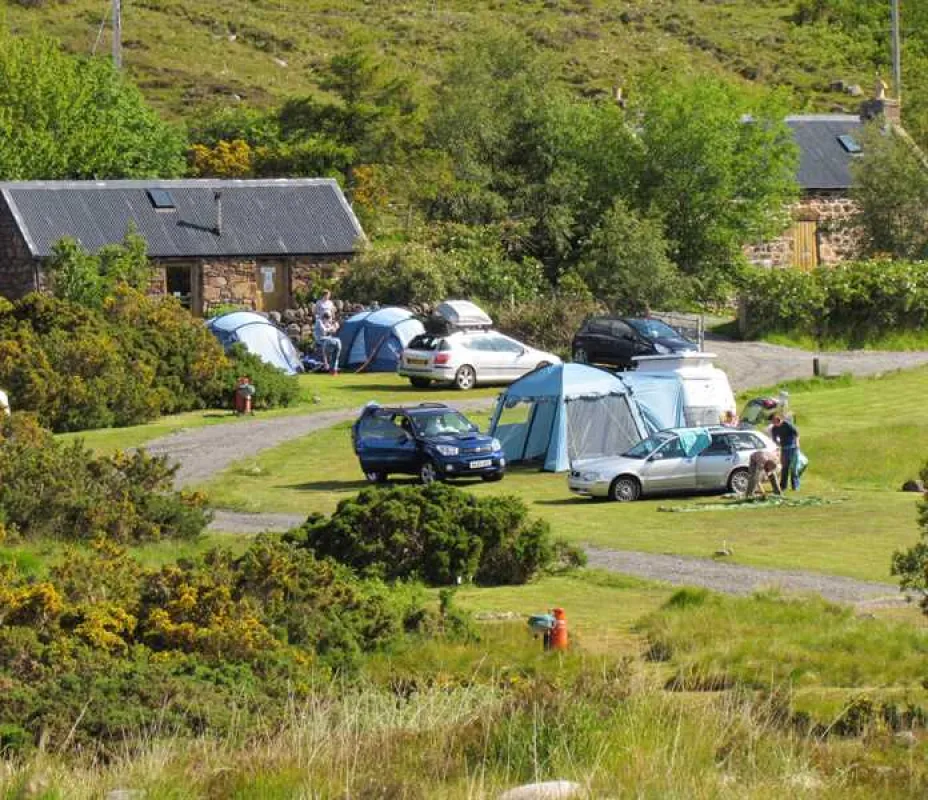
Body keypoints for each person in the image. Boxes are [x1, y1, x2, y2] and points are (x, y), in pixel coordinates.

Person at [770, 414, 801, 491]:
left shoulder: (787, 424)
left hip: (793, 448)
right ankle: (783, 486)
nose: (774, 424)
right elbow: (774, 438)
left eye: (775, 421)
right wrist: (778, 444)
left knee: (794, 468)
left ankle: (795, 486)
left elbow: (797, 433)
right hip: (784, 449)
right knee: (784, 468)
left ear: (779, 420)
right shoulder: (774, 428)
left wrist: (797, 442)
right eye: (773, 422)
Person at [314, 310, 342, 375]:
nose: (329, 321)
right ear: (324, 318)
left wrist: (336, 327)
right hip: (321, 340)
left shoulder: (327, 323)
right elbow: (324, 331)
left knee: (338, 342)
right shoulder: (319, 321)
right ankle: (328, 366)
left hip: (328, 340)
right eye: (329, 318)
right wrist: (332, 327)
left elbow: (333, 331)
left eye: (330, 319)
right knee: (334, 341)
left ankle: (334, 369)